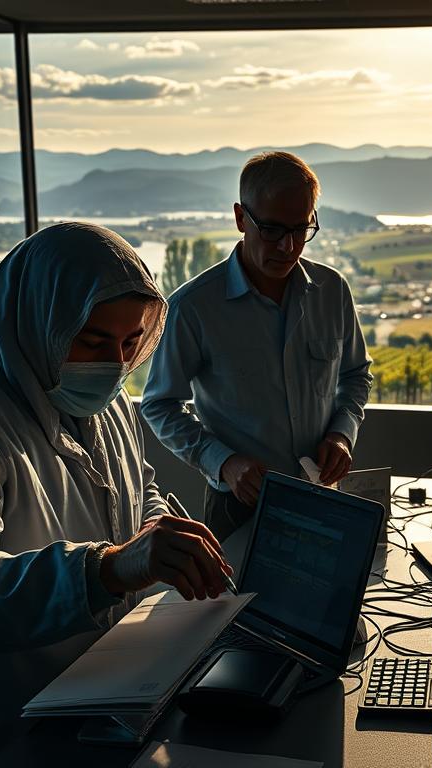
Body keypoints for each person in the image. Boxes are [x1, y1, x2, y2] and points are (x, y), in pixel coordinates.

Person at [0, 223, 231, 768]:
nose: (113, 362)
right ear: (41, 321)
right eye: (91, 340)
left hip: (76, 697)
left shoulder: (98, 400)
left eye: (131, 341)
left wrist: (164, 539)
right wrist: (105, 569)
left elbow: (137, 493)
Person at [142, 152, 373, 539]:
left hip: (319, 493)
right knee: (238, 603)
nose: (287, 246)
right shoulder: (195, 307)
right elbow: (158, 404)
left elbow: (355, 375)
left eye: (301, 230)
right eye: (271, 229)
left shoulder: (333, 291)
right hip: (237, 505)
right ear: (239, 218)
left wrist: (341, 433)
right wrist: (223, 462)